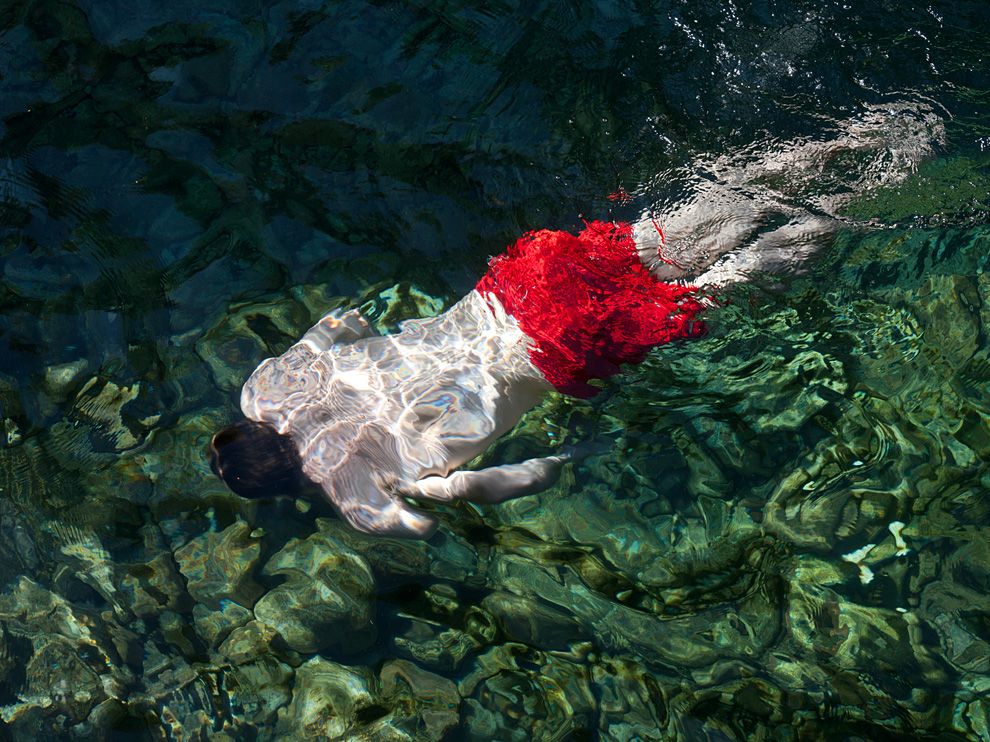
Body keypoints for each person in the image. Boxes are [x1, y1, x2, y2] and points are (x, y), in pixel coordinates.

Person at [210, 102, 943, 538]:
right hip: (514, 291)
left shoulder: (359, 496)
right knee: (691, 228)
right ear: (253, 432)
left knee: (730, 280)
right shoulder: (266, 394)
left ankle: (871, 195)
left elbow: (451, 501)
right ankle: (860, 137)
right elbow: (340, 324)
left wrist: (548, 470)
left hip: (556, 355)